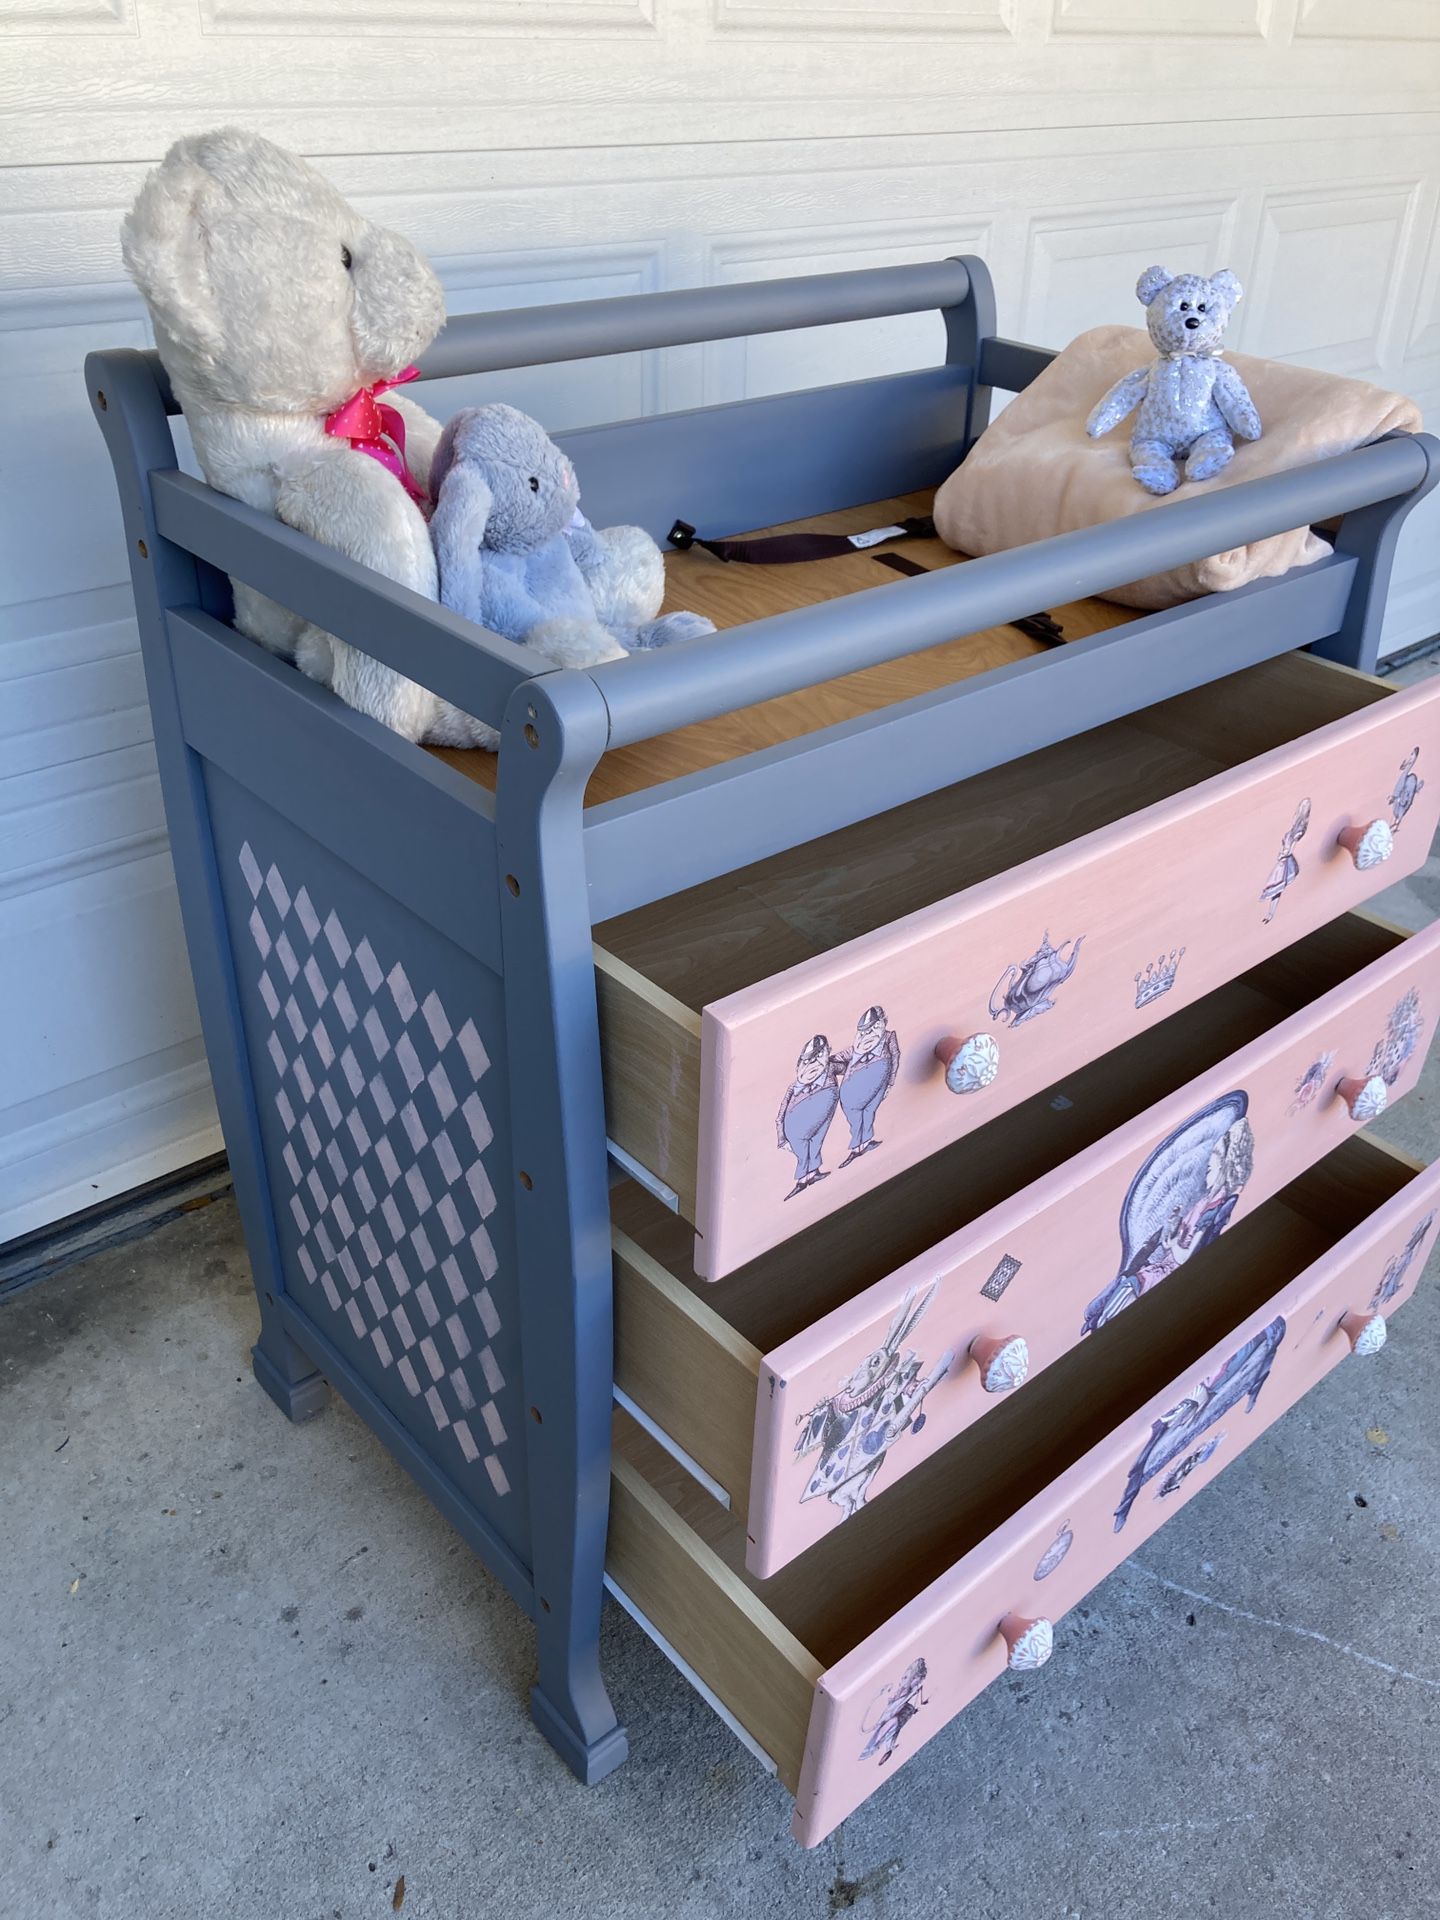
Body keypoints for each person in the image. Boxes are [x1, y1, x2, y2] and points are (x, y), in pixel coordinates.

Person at [776, 1035, 840, 1199]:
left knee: (816, 1145)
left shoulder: (830, 1068)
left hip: (823, 1117)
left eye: (820, 1057)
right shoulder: (795, 1087)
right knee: (803, 1153)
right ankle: (801, 1182)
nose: (814, 1064)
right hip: (798, 1123)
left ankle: (813, 1173)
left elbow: (850, 1062)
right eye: (808, 1061)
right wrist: (782, 1139)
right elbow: (781, 1113)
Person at [837, 1006, 901, 1168]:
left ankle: (864, 1143)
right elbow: (847, 1054)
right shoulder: (859, 1044)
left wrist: (890, 1082)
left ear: (883, 1023)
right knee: (856, 1117)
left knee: (869, 1112)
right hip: (857, 1086)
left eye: (875, 1027)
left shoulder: (888, 1038)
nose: (870, 1032)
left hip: (879, 1082)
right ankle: (858, 1147)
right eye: (866, 1030)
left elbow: (895, 1057)